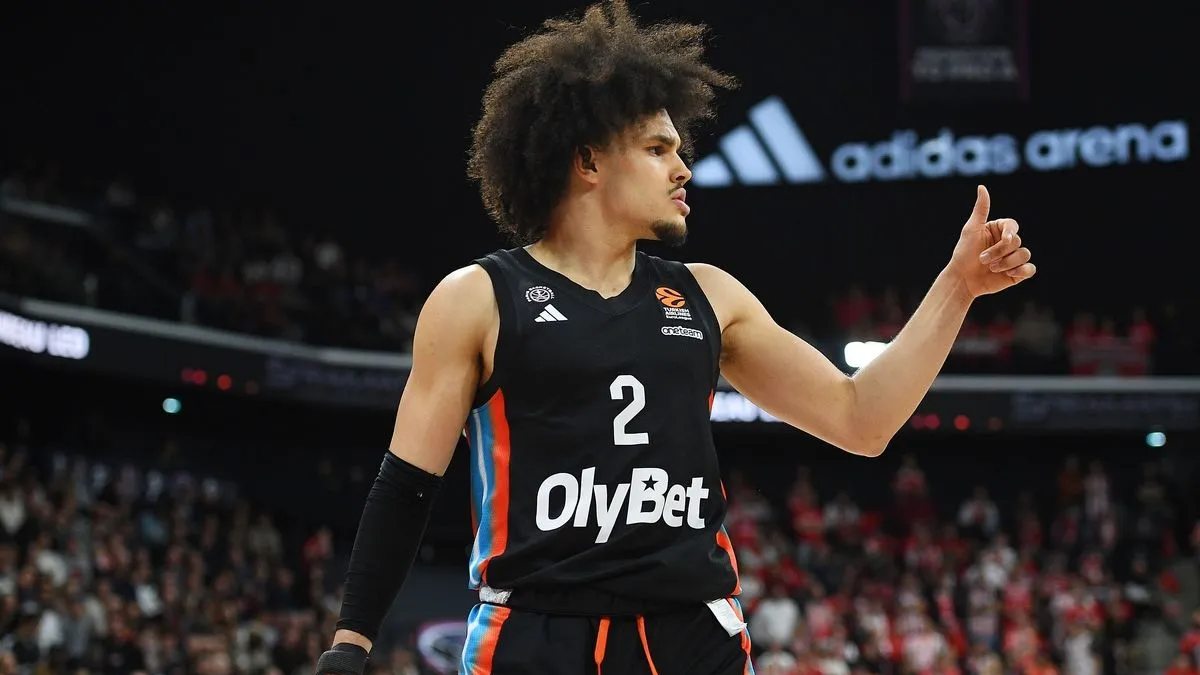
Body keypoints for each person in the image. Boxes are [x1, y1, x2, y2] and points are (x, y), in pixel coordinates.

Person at [315, 2, 1037, 673]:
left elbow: (862, 419)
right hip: (536, 634)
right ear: (588, 161)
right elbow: (406, 487)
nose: (683, 167)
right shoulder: (476, 298)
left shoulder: (709, 295)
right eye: (658, 149)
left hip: (692, 637)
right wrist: (351, 645)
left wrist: (958, 286)